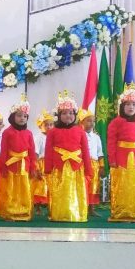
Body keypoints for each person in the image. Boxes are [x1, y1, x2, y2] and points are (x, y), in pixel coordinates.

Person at [44, 91, 91, 222]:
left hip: (76, 167)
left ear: (75, 115)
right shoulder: (52, 132)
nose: (68, 116)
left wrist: (88, 169)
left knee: (75, 190)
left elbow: (85, 151)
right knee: (60, 190)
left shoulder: (80, 131)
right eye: (64, 113)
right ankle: (60, 213)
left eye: (70, 113)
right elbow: (48, 150)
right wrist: (47, 168)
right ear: (58, 116)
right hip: (59, 167)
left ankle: (76, 213)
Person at [107, 85, 135, 223]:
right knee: (121, 186)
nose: (131, 107)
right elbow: (111, 142)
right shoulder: (115, 123)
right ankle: (120, 212)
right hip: (120, 160)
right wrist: (112, 159)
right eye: (127, 104)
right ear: (122, 106)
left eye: (133, 104)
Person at [0, 95, 37, 221]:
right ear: (12, 117)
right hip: (11, 165)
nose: (22, 118)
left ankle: (24, 211)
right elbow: (4, 150)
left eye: (25, 116)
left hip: (24, 165)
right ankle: (10, 212)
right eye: (19, 115)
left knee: (24, 188)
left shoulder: (29, 133)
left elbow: (31, 152)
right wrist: (3, 167)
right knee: (11, 189)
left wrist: (33, 167)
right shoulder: (7, 132)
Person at [79, 109, 104, 217]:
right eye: (89, 121)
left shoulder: (96, 137)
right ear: (82, 122)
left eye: (93, 121)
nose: (92, 123)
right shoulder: (79, 135)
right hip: (82, 164)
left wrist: (102, 166)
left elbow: (100, 153)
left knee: (93, 185)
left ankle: (91, 208)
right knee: (83, 184)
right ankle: (81, 207)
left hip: (94, 164)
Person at [33, 109, 54, 216]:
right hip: (41, 163)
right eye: (46, 125)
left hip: (51, 163)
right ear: (40, 126)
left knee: (50, 185)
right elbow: (35, 153)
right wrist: (36, 167)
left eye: (51, 125)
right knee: (40, 185)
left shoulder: (54, 137)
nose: (49, 127)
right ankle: (37, 207)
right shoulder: (39, 138)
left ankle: (51, 207)